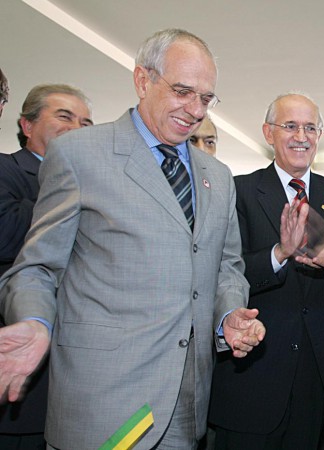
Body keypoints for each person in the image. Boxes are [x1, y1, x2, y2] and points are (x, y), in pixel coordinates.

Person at [0, 29, 265, 449]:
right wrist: (35, 322)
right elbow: (35, 268)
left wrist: (228, 313)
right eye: (183, 91)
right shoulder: (79, 154)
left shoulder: (219, 177)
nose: (195, 110)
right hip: (101, 406)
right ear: (143, 80)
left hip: (186, 405)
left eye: (206, 98)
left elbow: (227, 266)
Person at [209, 92, 324, 449]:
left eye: (310, 127)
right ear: (268, 133)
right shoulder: (239, 190)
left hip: (315, 377)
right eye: (291, 126)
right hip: (253, 372)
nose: (302, 136)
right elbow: (224, 269)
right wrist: (279, 253)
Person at [0, 84, 92, 450]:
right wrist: (69, 194)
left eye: (86, 123)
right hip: (23, 369)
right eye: (64, 116)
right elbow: (7, 235)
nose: (77, 128)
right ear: (26, 125)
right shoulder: (6, 169)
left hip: (74, 376)